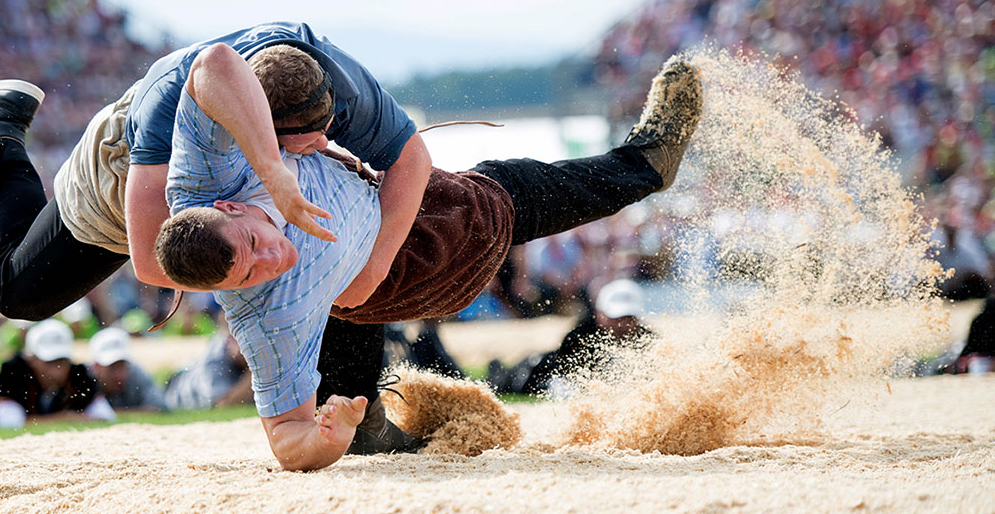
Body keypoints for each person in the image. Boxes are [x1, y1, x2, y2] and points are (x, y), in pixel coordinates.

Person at [154, 57, 703, 470]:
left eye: (254, 244)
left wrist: (274, 169)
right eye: (249, 276)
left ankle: (370, 429)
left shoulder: (202, 179)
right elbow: (286, 441)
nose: (271, 260)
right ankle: (645, 166)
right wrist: (330, 435)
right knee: (505, 192)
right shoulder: (264, 313)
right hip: (417, 261)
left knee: (336, 315)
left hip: (362, 237)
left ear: (225, 206)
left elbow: (216, 65)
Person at [0, 22, 430, 453]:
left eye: (326, 131)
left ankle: (367, 420)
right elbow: (152, 264)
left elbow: (412, 160)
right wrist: (264, 287)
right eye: (298, 143)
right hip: (127, 187)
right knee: (17, 294)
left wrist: (369, 269)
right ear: (258, 129)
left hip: (238, 200)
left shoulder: (334, 84)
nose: (322, 146)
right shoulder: (176, 125)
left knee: (307, 263)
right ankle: (1, 128)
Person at [486, 278, 655, 395]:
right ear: (599, 314)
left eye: (628, 318)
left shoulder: (650, 342)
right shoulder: (581, 336)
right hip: (533, 371)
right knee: (505, 382)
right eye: (615, 318)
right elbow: (561, 374)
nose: (621, 325)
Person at [0, 319, 116, 428]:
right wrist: (66, 418)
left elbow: (106, 417)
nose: (57, 370)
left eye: (61, 361)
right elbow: (10, 424)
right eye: (50, 362)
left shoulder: (78, 375)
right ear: (31, 359)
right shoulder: (13, 374)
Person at [164, 327, 255, 410]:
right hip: (176, 391)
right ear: (230, 339)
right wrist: (255, 372)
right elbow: (222, 405)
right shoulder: (215, 360)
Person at [88, 327, 167, 412]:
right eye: (112, 368)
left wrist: (107, 415)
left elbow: (160, 408)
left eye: (122, 366)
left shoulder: (136, 373)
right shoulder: (84, 380)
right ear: (96, 367)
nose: (119, 375)